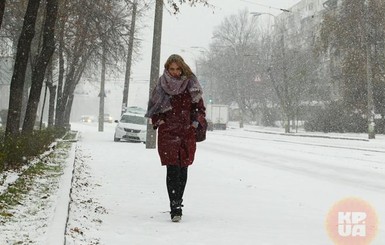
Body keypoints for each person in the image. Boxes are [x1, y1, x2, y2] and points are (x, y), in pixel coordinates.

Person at [145, 54, 206, 222]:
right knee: (172, 169)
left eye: (178, 69)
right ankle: (175, 206)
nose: (175, 72)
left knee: (183, 169)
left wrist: (194, 123)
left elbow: (200, 108)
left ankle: (179, 200)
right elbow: (154, 109)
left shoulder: (191, 84)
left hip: (186, 133)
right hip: (168, 133)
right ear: (167, 69)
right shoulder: (161, 86)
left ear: (183, 68)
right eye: (172, 69)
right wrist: (161, 121)